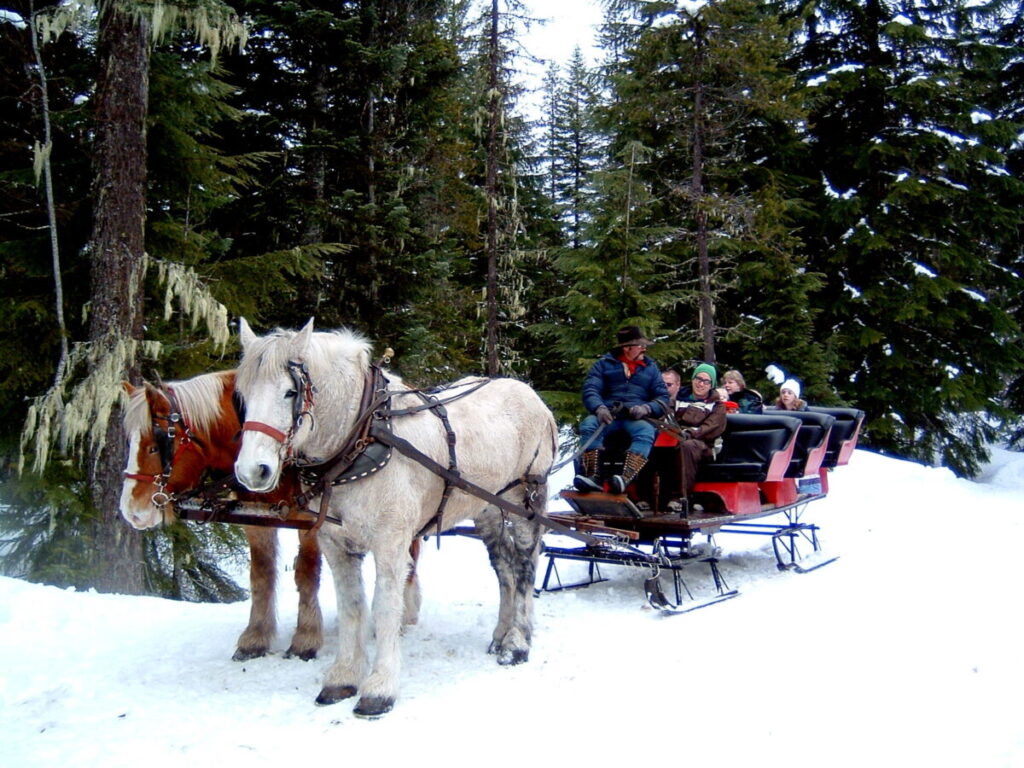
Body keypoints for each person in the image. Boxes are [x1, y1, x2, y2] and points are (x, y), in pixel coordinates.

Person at [574, 326, 671, 494]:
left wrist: (646, 408)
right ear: (627, 348)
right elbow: (591, 390)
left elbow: (663, 398)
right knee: (589, 425)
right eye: (640, 345)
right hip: (609, 416)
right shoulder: (603, 365)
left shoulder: (651, 368)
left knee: (646, 431)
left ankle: (625, 478)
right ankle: (593, 476)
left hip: (636, 418)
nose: (644, 348)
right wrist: (599, 408)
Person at [670, 363, 727, 513]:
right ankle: (646, 496)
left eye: (706, 381)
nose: (700, 384)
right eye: (698, 378)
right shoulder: (678, 398)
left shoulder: (717, 406)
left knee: (687, 446)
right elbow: (668, 415)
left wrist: (690, 432)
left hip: (704, 445)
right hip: (675, 437)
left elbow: (710, 427)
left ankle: (681, 497)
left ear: (711, 385)